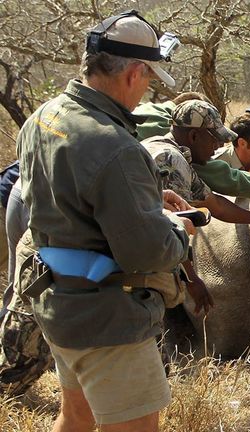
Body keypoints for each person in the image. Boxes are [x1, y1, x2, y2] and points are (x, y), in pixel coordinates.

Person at [13, 11, 210, 431]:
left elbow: (70, 197)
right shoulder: (114, 146)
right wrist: (179, 228)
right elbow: (147, 252)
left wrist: (147, 197)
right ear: (134, 72)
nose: (147, 89)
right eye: (149, 79)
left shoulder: (44, 116)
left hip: (58, 304)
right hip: (108, 320)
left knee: (76, 418)